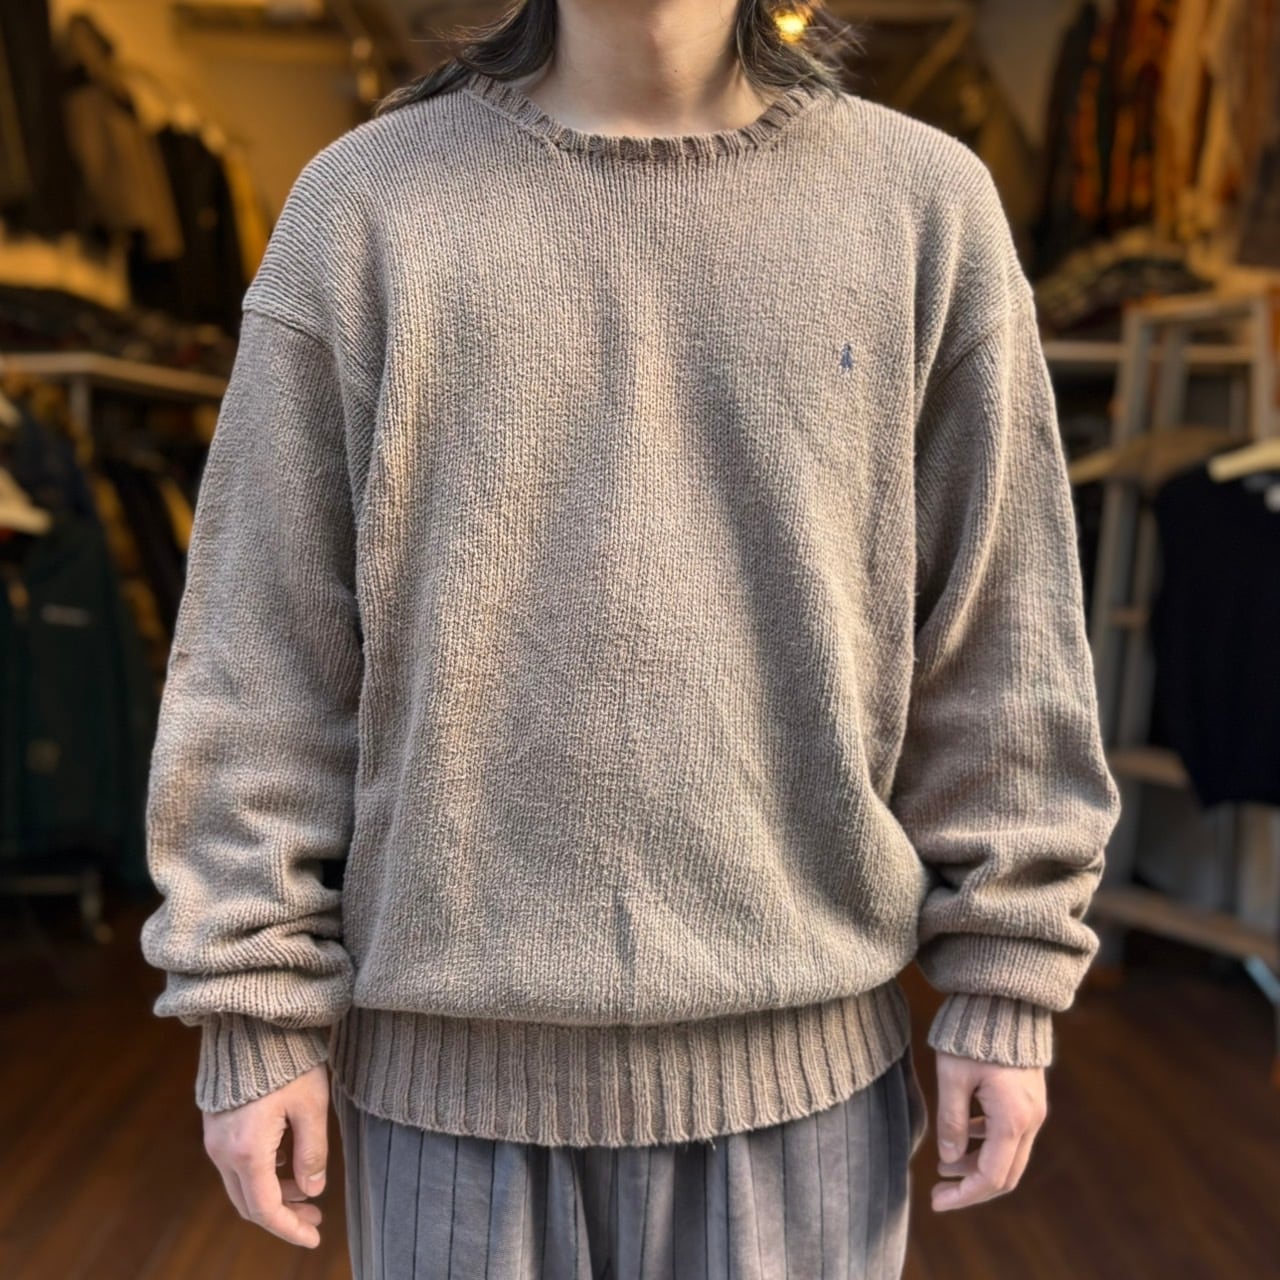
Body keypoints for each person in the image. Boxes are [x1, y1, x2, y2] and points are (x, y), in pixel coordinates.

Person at [139, 1, 1123, 1276]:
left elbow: (999, 628)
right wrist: (250, 1004)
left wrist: (1006, 968)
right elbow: (264, 641)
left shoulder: (921, 207)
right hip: (447, 1105)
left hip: (806, 1089)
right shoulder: (365, 209)